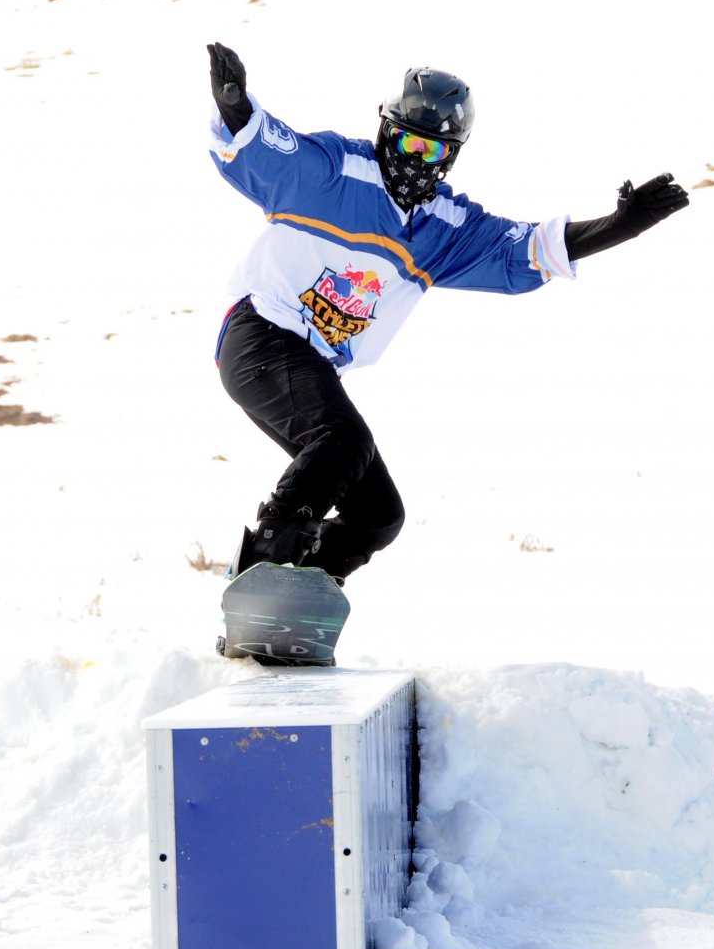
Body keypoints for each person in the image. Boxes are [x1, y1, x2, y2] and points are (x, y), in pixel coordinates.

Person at [208, 42, 688, 586]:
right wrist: (236, 106)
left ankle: (297, 598)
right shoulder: (336, 172)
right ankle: (266, 561)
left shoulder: (444, 228)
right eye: (409, 141)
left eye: (434, 152)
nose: (417, 160)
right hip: (260, 334)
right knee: (345, 442)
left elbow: (524, 250)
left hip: (310, 365)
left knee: (379, 516)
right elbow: (268, 154)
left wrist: (618, 226)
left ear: (451, 156)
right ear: (388, 132)